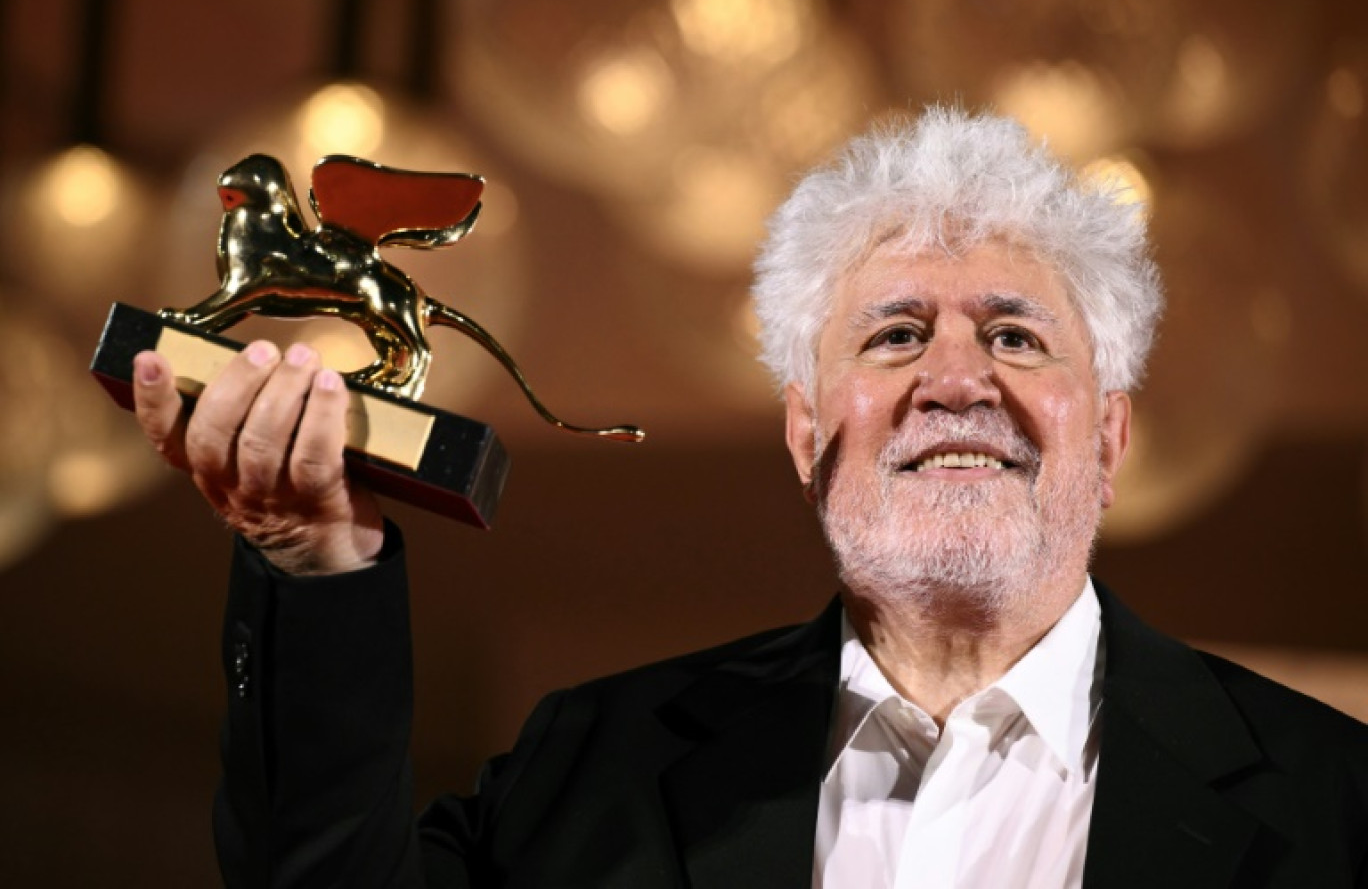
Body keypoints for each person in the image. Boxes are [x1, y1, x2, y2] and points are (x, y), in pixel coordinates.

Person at [133, 107, 1368, 888]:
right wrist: (309, 561)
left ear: (1108, 437)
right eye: (892, 336)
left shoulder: (1338, 806)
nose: (954, 378)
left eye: (1017, 336)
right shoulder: (592, 768)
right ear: (803, 433)